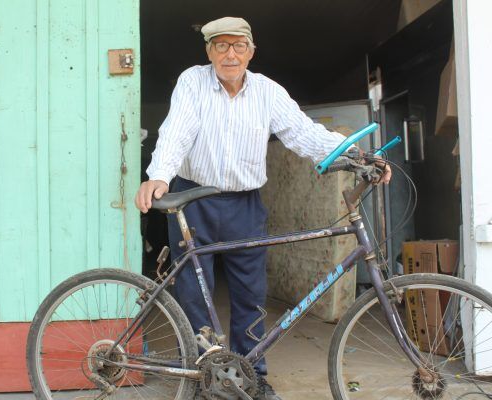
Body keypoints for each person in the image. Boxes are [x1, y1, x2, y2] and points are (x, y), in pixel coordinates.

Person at [135, 16, 391, 400]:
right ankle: (203, 376)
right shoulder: (193, 81)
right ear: (208, 52)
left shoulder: (268, 92)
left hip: (244, 205)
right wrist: (159, 175)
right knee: (192, 292)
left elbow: (303, 133)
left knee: (250, 294)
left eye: (238, 45)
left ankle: (252, 376)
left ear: (251, 51)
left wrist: (355, 155)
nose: (230, 54)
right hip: (193, 199)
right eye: (220, 45)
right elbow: (177, 130)